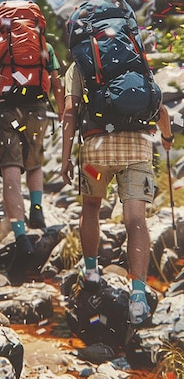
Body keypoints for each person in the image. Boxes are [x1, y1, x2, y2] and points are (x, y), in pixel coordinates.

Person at [61, 59, 173, 327]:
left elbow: (69, 112)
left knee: (91, 208)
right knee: (136, 220)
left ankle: (90, 272)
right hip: (137, 151)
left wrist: (65, 159)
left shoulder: (79, 64)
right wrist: (167, 139)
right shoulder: (134, 57)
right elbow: (160, 110)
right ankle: (138, 298)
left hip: (95, 154)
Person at [0, 6, 65, 284]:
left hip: (4, 112)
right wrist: (62, 113)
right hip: (37, 109)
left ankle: (20, 235)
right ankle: (36, 208)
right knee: (34, 161)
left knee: (10, 170)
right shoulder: (45, 46)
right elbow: (58, 82)